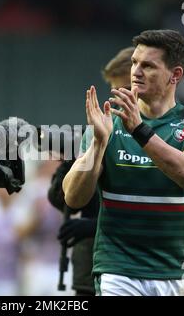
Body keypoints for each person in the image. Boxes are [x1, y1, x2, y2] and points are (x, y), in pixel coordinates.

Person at [63, 29, 184, 296]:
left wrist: (140, 130)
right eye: (135, 62)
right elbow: (73, 197)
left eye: (147, 65)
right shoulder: (107, 123)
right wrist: (98, 145)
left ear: (176, 75)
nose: (136, 71)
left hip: (172, 272)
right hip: (117, 268)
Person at [49, 47, 134, 296]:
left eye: (127, 88)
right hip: (91, 270)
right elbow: (63, 200)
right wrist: (72, 160)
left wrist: (93, 227)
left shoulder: (167, 138)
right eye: (116, 90)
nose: (120, 98)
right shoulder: (101, 131)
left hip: (135, 272)